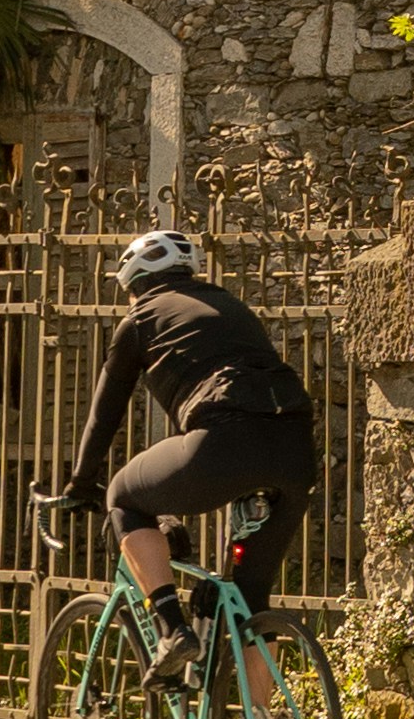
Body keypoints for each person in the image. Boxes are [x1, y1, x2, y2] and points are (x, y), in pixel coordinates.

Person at [62, 228, 322, 683]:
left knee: (124, 495)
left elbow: (105, 415)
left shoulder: (140, 320)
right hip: (296, 449)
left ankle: (172, 628)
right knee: (251, 595)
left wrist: (82, 483)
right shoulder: (230, 305)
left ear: (135, 282)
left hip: (225, 442)